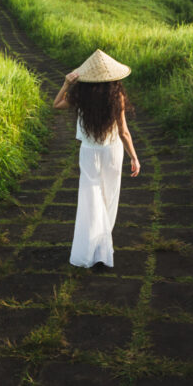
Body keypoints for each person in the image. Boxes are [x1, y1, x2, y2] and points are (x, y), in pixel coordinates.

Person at [53, 49, 140, 268]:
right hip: (112, 152)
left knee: (90, 198)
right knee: (109, 197)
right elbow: (124, 132)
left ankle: (90, 249)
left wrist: (66, 83)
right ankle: (102, 246)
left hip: (89, 152)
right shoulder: (116, 95)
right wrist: (134, 157)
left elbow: (56, 104)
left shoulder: (81, 94)